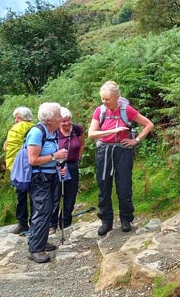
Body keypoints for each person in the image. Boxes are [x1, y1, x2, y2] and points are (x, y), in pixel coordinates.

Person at [88, 81, 154, 236]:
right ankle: (106, 221)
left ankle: (126, 219)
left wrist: (135, 140)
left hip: (123, 151)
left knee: (124, 186)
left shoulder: (127, 110)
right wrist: (113, 130)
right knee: (104, 186)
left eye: (107, 99)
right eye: (102, 99)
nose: (104, 102)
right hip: (104, 151)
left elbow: (148, 124)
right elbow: (91, 134)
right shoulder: (100, 111)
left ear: (116, 97)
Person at [26, 102, 68, 263]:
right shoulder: (37, 132)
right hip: (39, 178)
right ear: (49, 119)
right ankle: (35, 249)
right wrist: (54, 157)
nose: (62, 118)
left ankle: (40, 241)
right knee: (43, 210)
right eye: (58, 115)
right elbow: (32, 159)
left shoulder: (52, 131)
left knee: (48, 209)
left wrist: (59, 165)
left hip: (50, 175)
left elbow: (53, 156)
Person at [49, 107, 85, 234]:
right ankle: (52, 224)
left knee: (71, 194)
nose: (66, 123)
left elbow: (81, 144)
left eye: (68, 120)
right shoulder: (54, 132)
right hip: (56, 165)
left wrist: (78, 158)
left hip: (72, 165)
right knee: (55, 194)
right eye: (63, 121)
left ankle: (66, 222)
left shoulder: (77, 129)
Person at [3, 106, 35, 235]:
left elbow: (8, 149)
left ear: (25, 118)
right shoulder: (33, 128)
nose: (16, 120)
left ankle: (25, 223)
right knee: (28, 196)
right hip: (27, 166)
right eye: (15, 118)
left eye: (19, 118)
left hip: (23, 167)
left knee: (24, 196)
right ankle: (28, 223)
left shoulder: (25, 129)